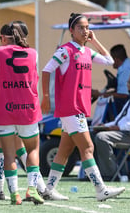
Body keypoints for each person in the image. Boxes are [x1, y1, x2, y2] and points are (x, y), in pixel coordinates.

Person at [41, 13, 125, 201]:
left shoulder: (87, 52)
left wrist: (95, 41)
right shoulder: (65, 51)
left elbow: (110, 62)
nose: (85, 30)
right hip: (70, 108)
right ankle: (100, 189)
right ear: (71, 30)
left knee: (64, 150)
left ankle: (48, 189)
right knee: (87, 147)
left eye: (87, 27)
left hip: (78, 108)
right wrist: (46, 96)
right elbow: (46, 70)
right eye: (81, 27)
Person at [0, 22, 44, 205]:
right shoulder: (33, 53)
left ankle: (14, 194)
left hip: (5, 109)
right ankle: (32, 188)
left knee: (9, 154)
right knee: (32, 149)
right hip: (27, 109)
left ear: (3, 37)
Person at [94, 70, 130, 180]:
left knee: (102, 138)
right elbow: (119, 120)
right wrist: (105, 125)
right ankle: (95, 172)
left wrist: (118, 128)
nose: (127, 86)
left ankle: (110, 175)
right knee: (92, 133)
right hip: (124, 132)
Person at [93, 44, 130, 113]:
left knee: (112, 104)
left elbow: (124, 95)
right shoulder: (128, 65)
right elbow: (120, 92)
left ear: (115, 59)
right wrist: (102, 93)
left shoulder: (125, 70)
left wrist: (100, 95)